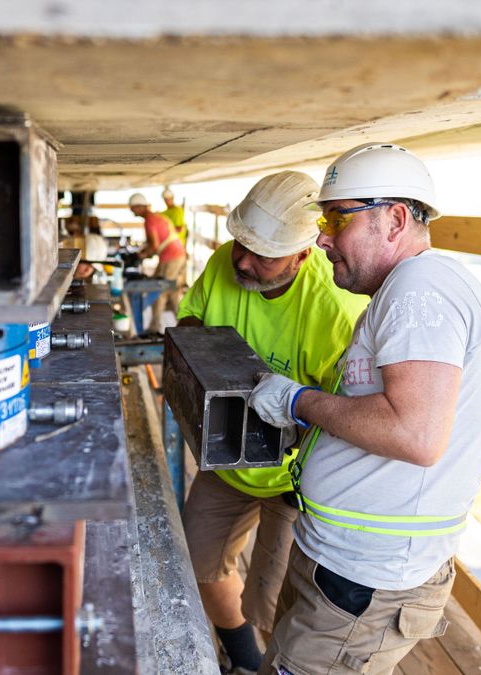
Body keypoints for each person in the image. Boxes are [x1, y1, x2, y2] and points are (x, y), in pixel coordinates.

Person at [247, 143, 481, 675]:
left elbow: (416, 434)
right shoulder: (405, 292)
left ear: (394, 219)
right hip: (343, 567)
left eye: (336, 218)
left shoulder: (421, 288)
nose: (321, 237)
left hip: (362, 584)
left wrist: (301, 401)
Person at [177, 171, 370, 674]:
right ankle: (244, 657)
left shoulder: (335, 311)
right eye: (239, 244)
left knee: (274, 597)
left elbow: (348, 417)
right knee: (198, 562)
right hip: (227, 459)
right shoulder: (227, 262)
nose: (242, 261)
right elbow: (191, 323)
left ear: (304, 254)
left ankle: (261, 655)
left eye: (262, 255)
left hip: (296, 476)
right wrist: (217, 362)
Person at [129, 192, 186, 335]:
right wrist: (143, 251)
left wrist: (141, 255)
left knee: (158, 290)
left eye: (132, 208)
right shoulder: (155, 217)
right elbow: (154, 243)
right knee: (171, 292)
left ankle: (154, 327)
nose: (131, 211)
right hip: (175, 256)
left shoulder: (149, 221)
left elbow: (154, 247)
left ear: (139, 207)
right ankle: (185, 325)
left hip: (171, 258)